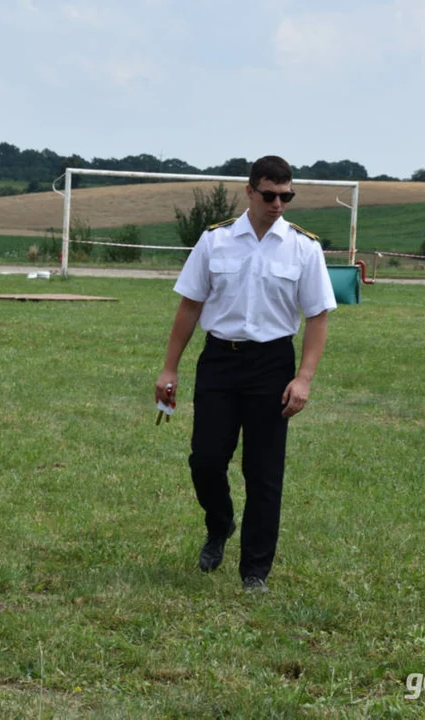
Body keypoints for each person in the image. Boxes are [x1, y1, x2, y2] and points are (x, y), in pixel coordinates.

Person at [155, 155, 336, 594]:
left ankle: (255, 571)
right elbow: (190, 307)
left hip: (272, 366)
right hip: (219, 360)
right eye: (270, 195)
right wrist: (169, 368)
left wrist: (304, 378)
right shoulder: (215, 241)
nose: (279, 204)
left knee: (264, 472)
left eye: (286, 196)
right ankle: (219, 525)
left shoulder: (303, 247)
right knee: (206, 460)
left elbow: (317, 317)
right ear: (250, 191)